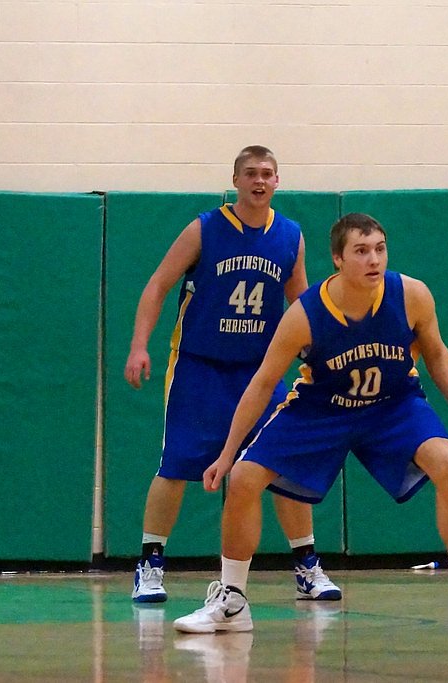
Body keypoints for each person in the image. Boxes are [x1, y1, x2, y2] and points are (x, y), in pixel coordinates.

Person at [172, 212, 448, 635]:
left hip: (392, 404)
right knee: (242, 478)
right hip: (321, 409)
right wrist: (225, 454)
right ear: (337, 258)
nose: (374, 260)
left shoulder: (412, 296)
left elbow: (436, 354)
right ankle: (233, 601)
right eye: (361, 251)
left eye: (380, 249)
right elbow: (262, 384)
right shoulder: (305, 314)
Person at [125, 145, 340, 604]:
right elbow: (158, 284)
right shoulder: (204, 228)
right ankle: (150, 563)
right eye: (250, 173)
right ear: (236, 180)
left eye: (267, 174)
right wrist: (139, 345)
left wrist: (317, 357)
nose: (259, 181)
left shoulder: (291, 236)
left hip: (260, 371)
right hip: (199, 366)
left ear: (277, 181)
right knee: (177, 464)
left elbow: (301, 303)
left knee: (283, 463)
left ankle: (306, 566)